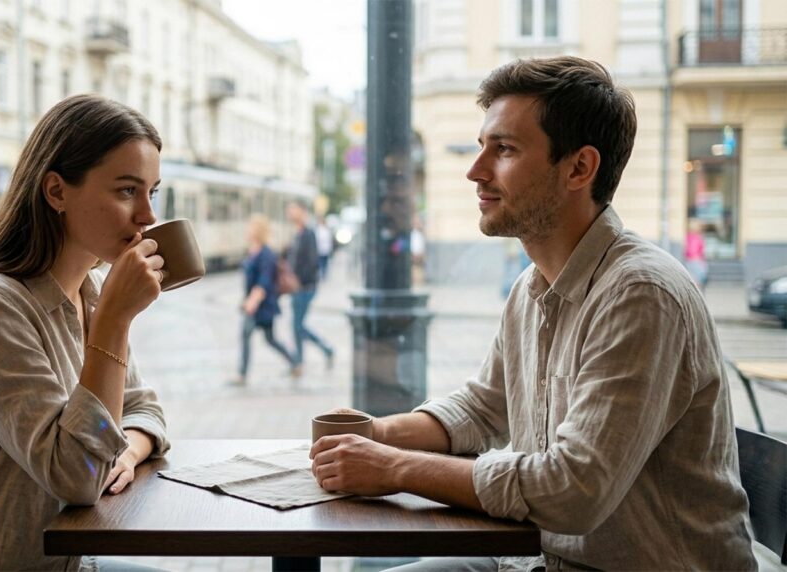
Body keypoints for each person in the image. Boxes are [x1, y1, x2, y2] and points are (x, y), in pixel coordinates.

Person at [309, 57, 756, 571]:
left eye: (504, 149)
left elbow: (572, 489)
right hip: (534, 561)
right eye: (482, 147)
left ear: (579, 168)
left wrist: (396, 468)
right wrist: (376, 436)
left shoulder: (641, 294)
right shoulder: (532, 287)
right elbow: (484, 408)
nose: (476, 171)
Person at [0, 95, 171, 572]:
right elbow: (76, 476)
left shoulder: (91, 291)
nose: (147, 216)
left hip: (58, 561)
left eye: (152, 192)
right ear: (56, 191)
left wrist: (126, 452)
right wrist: (116, 323)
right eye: (126, 191)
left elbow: (144, 408)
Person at [232, 214, 296, 385]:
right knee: (265, 338)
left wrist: (252, 301)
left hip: (262, 305)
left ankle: (242, 375)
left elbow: (265, 280)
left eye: (251, 227)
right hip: (254, 303)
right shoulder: (253, 250)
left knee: (265, 338)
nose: (248, 230)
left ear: (258, 230)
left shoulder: (266, 254)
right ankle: (293, 362)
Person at [285, 200, 334, 372]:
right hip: (297, 287)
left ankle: (323, 349)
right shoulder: (298, 234)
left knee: (298, 326)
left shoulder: (308, 234)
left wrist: (299, 281)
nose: (290, 213)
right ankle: (299, 360)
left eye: (293, 210)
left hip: (304, 287)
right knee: (297, 326)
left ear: (303, 212)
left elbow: (312, 263)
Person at [684, 218, 708, 290]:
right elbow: (699, 251)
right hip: (696, 261)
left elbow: (687, 250)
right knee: (699, 281)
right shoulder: (698, 237)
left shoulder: (687, 236)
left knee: (693, 280)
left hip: (689, 261)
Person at [315, 215, 334, 280]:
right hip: (323, 249)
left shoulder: (322, 230)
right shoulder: (323, 230)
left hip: (323, 249)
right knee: (323, 263)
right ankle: (323, 274)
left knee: (323, 263)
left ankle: (323, 274)